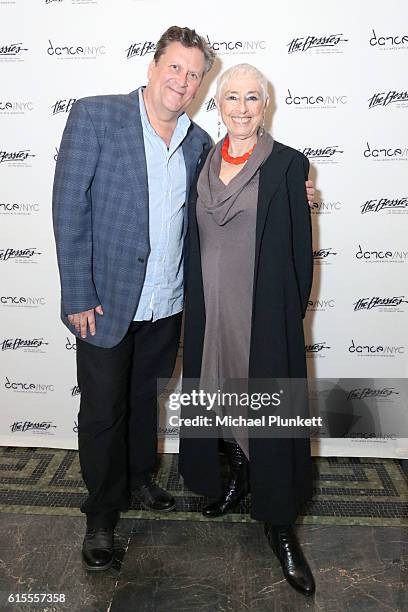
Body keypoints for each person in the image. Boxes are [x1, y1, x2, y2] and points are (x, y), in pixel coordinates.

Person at [52, 26, 315, 572]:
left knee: (147, 403)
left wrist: (299, 188)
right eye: (175, 68)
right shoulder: (96, 116)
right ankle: (102, 516)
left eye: (194, 74)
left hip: (170, 303)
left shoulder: (198, 144)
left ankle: (141, 481)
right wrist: (77, 292)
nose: (184, 80)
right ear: (153, 67)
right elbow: (67, 207)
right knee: (102, 411)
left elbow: (255, 195)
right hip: (104, 301)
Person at [179, 64, 316, 595]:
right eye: (231, 97)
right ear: (217, 104)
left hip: (262, 315)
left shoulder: (287, 166)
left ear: (267, 105)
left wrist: (285, 316)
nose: (240, 107)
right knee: (217, 395)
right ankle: (238, 474)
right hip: (211, 312)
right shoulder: (201, 161)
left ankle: (280, 526)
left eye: (251, 97)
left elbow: (300, 255)